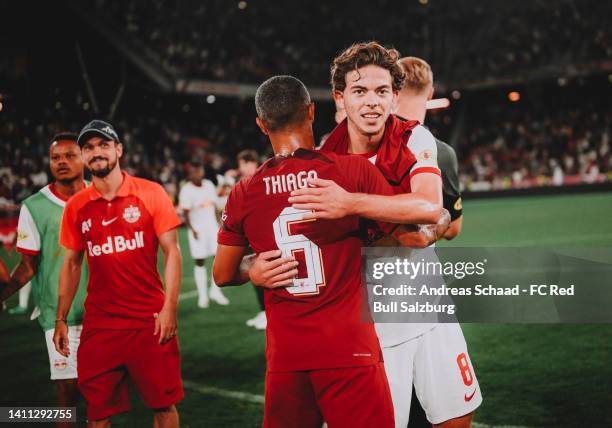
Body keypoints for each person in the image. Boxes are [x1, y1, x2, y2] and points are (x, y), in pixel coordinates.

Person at [263, 43, 481, 427]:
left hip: (429, 310)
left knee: (458, 418)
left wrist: (353, 206)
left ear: (395, 97)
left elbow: (429, 208)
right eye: (359, 91)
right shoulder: (325, 158)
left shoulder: (415, 138)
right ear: (340, 98)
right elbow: (419, 228)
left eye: (382, 92)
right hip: (373, 329)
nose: (372, 103)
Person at [213, 75, 440, 428]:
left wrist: (252, 269)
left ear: (261, 124)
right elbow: (415, 236)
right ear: (311, 112)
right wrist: (440, 218)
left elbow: (223, 274)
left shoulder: (244, 191)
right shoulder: (351, 171)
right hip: (350, 349)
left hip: (287, 358)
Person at [54, 120, 183, 427]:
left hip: (148, 321)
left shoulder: (151, 193)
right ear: (83, 156)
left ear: (119, 150)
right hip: (100, 325)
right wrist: (60, 317)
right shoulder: (76, 206)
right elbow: (71, 264)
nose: (96, 152)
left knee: (163, 406)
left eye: (103, 145)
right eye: (88, 148)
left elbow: (173, 252)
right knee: (97, 414)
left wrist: (170, 308)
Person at [0, 134, 88, 423]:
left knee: (101, 392)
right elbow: (27, 266)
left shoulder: (101, 197)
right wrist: (3, 293)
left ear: (84, 158)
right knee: (67, 393)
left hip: (103, 310)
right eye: (55, 157)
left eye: (69, 155)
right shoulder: (34, 206)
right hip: (59, 313)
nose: (62, 162)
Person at [178, 160, 229, 308]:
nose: (198, 173)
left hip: (212, 228)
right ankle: (203, 295)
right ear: (190, 173)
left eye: (199, 170)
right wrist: (192, 229)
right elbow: (185, 213)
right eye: (194, 171)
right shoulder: (186, 190)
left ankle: (215, 291)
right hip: (198, 230)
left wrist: (219, 223)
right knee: (200, 261)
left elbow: (214, 207)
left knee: (217, 258)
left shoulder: (208, 185)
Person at [236, 149, 267, 330]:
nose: (240, 169)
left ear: (250, 163)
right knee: (256, 276)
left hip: (259, 235)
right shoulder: (253, 180)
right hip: (251, 234)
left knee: (260, 274)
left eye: (241, 165)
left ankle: (267, 313)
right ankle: (263, 312)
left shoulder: (260, 179)